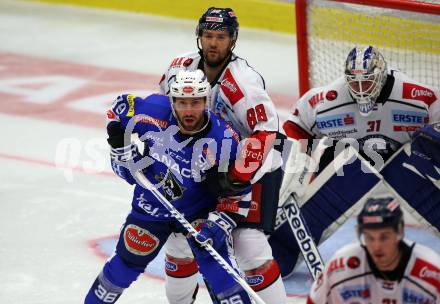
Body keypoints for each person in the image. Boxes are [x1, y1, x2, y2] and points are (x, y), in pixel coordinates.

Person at [84, 70, 256, 304]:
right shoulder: (152, 110)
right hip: (151, 205)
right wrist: (121, 150)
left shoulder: (224, 140)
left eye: (195, 102)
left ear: (205, 102)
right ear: (171, 100)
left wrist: (218, 226)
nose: (188, 110)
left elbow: (241, 195)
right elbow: (118, 109)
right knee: (122, 267)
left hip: (199, 213)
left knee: (222, 276)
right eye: (182, 102)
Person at [269, 45, 440, 277]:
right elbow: (297, 125)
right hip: (349, 160)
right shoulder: (328, 100)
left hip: (403, 160)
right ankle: (281, 251)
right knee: (332, 183)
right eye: (354, 82)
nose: (360, 90)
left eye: (367, 82)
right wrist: (295, 168)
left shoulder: (417, 97)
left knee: (420, 156)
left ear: (381, 76)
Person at [159, 7, 287, 303]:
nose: (213, 43)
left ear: (232, 41)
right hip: (205, 167)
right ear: (199, 37)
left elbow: (267, 134)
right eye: (208, 35)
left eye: (221, 36)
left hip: (254, 169)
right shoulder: (180, 70)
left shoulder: (243, 82)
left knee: (249, 246)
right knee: (179, 242)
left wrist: (236, 177)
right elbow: (166, 112)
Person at [307, 197, 440, 304]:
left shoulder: (432, 271)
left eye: (384, 237)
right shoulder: (340, 267)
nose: (376, 247)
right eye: (369, 237)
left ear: (399, 232)